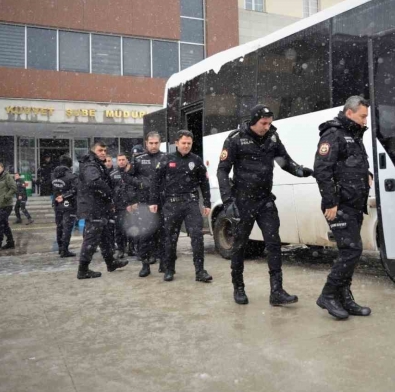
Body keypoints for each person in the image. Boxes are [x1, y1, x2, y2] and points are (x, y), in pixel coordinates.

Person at [217, 104, 313, 305]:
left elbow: (285, 162)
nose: (267, 126)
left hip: (265, 200)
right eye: (263, 123)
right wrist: (228, 201)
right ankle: (239, 287)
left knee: (273, 243)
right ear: (253, 121)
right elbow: (222, 171)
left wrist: (302, 171)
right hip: (242, 201)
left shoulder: (272, 138)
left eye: (270, 123)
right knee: (240, 246)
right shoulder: (235, 140)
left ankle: (276, 291)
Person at [313, 96, 373, 320]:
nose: (365, 120)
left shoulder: (354, 135)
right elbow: (322, 169)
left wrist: (367, 175)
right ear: (349, 113)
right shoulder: (333, 134)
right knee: (352, 250)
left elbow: (351, 164)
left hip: (354, 203)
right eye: (363, 116)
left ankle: (345, 298)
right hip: (339, 205)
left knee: (350, 251)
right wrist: (330, 202)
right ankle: (328, 295)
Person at [152, 130, 211, 282]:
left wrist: (207, 203)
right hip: (171, 204)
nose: (186, 146)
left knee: (197, 237)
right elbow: (155, 182)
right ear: (176, 143)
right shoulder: (166, 159)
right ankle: (169, 269)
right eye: (183, 143)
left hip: (191, 203)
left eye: (189, 143)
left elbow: (204, 183)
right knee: (171, 238)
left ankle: (200, 271)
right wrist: (153, 202)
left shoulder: (196, 160)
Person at [76, 141, 128, 279]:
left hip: (99, 207)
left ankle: (111, 263)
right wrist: (109, 192)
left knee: (105, 237)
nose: (103, 153)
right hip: (93, 207)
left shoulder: (96, 164)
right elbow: (94, 182)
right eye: (100, 150)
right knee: (91, 239)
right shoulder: (90, 165)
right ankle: (83, 269)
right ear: (94, 151)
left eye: (105, 150)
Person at [123, 132, 168, 272]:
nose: (153, 146)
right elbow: (126, 177)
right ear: (146, 143)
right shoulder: (138, 159)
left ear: (160, 143)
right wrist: (140, 184)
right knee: (144, 234)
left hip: (162, 201)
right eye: (151, 143)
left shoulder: (166, 158)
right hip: (144, 202)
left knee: (163, 234)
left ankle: (164, 264)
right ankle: (145, 265)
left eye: (156, 143)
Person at [51, 156, 78, 258]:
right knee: (67, 227)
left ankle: (61, 248)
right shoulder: (71, 176)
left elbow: (52, 187)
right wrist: (64, 196)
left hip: (57, 203)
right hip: (69, 204)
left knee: (59, 226)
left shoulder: (53, 175)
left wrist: (57, 197)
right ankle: (64, 249)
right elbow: (76, 189)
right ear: (70, 164)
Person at [111, 153, 136, 259]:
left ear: (127, 160)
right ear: (117, 161)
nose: (121, 161)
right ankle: (121, 249)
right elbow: (110, 191)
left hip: (131, 206)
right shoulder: (113, 174)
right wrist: (112, 204)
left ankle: (131, 248)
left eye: (123, 159)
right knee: (119, 228)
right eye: (119, 160)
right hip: (119, 206)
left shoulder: (133, 173)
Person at [0, 161, 17, 252]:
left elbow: (14, 187)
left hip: (6, 205)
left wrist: (6, 197)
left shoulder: (7, 176)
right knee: (4, 224)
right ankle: (10, 242)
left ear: (2, 168)